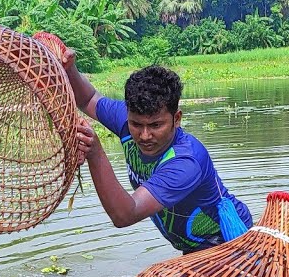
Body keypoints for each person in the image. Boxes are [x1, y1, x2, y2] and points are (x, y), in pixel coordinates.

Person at [61, 49, 252, 254]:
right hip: (192, 248)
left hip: (225, 244)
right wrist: (70, 69)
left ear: (176, 119)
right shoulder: (124, 120)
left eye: (155, 125)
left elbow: (125, 215)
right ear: (128, 115)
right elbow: (88, 99)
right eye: (136, 124)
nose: (144, 136)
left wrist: (95, 153)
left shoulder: (186, 162)